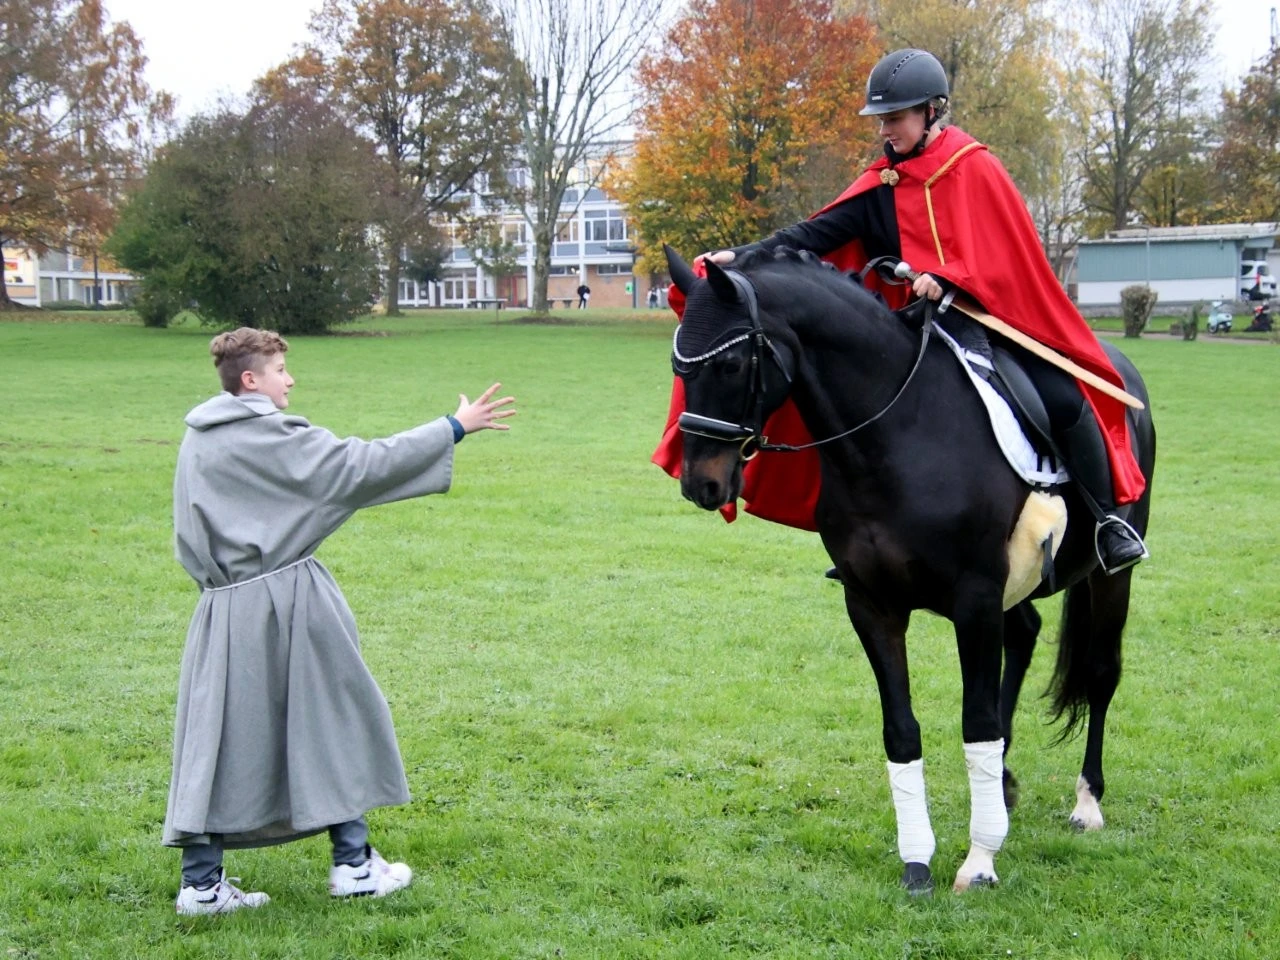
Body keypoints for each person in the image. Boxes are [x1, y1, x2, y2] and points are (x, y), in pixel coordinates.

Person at [691, 48, 1148, 575]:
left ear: (932, 110)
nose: (887, 129)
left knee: (1062, 398)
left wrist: (952, 274)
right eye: (882, 120)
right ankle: (868, 534)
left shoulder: (975, 168)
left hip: (989, 319)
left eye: (896, 117)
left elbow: (1007, 252)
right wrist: (739, 256)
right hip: (911, 326)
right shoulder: (880, 182)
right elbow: (812, 234)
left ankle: (1110, 523)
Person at [166, 327, 515, 915]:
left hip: (221, 608)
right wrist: (453, 427)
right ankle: (353, 866)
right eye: (280, 369)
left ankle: (202, 884)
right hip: (287, 601)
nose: (290, 379)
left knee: (217, 738)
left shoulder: (199, 438)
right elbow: (360, 465)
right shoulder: (270, 436)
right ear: (250, 379)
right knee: (331, 719)